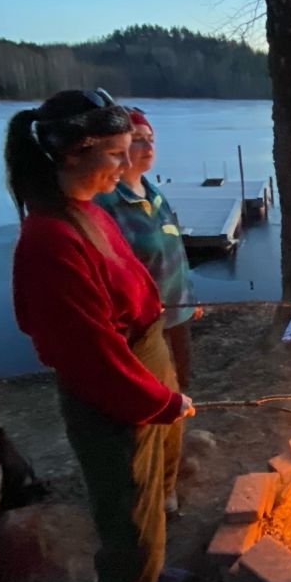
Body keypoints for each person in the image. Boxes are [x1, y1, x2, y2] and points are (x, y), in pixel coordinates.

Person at [6, 88, 195, 582]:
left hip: (146, 356)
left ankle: (154, 571)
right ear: (73, 154)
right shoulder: (49, 241)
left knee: (157, 482)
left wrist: (161, 336)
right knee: (128, 519)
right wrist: (160, 400)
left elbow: (131, 279)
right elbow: (89, 359)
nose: (124, 166)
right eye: (114, 154)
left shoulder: (87, 207)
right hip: (114, 389)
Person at [95, 107, 201, 515]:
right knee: (151, 404)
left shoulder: (153, 193)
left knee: (179, 391)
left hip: (177, 315)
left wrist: (190, 299)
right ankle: (159, 486)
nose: (146, 147)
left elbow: (173, 249)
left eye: (150, 139)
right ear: (117, 149)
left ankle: (172, 464)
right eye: (136, 139)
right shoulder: (107, 205)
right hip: (142, 328)